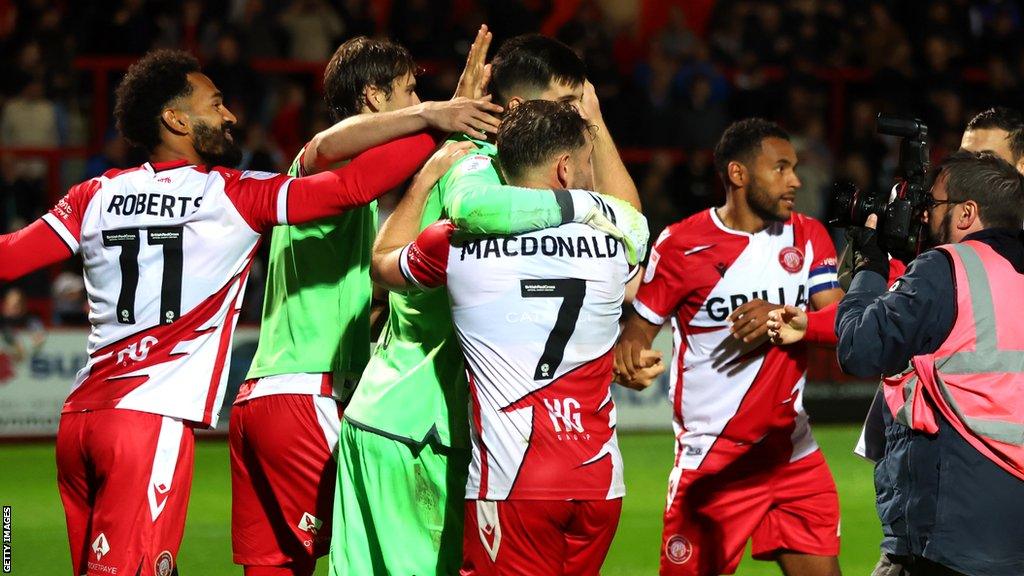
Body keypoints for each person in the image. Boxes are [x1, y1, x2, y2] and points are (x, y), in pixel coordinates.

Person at [0, 49, 444, 576]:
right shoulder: (230, 196)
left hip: (80, 423)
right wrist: (439, 130)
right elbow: (349, 187)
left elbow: (8, 257)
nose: (230, 115)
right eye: (215, 104)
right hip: (148, 421)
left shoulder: (93, 194)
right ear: (176, 119)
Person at [333, 34, 645, 576]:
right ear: (521, 110)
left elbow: (625, 232)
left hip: (462, 432)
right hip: (417, 422)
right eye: (570, 105)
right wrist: (599, 206)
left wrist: (591, 123)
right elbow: (626, 227)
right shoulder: (473, 167)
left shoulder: (516, 180)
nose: (583, 118)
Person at [230, 29, 507, 576]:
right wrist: (439, 117)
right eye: (407, 92)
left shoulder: (339, 197)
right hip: (311, 392)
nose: (415, 105)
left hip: (262, 400)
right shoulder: (322, 167)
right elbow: (331, 144)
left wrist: (450, 116)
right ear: (376, 97)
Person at [616, 118, 844, 576]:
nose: (796, 181)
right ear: (738, 174)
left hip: (791, 453)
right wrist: (631, 362)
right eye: (780, 168)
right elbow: (636, 334)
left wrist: (781, 316)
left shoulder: (807, 235)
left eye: (794, 168)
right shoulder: (681, 244)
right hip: (714, 460)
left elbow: (843, 321)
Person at [835, 151, 1024, 576]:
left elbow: (859, 349)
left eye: (933, 204)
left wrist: (869, 268)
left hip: (954, 524)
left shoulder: (947, 268)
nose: (922, 216)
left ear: (966, 213)